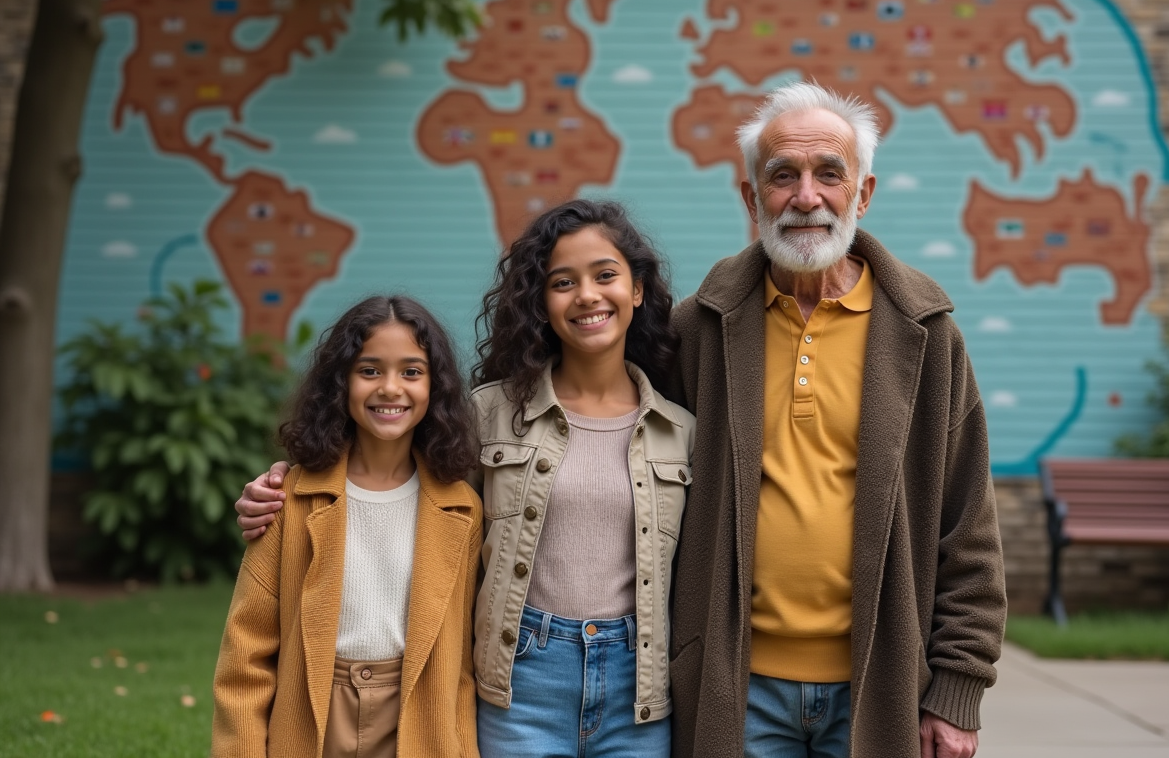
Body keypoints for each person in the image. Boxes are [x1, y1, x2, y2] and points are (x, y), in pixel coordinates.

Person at [236, 200, 695, 757]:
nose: (588, 296)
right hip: (520, 682)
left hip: (637, 689)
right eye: (562, 282)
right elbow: (386, 465)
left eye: (605, 275)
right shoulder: (489, 415)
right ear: (540, 302)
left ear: (638, 289)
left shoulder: (681, 432)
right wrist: (288, 484)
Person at [666, 81, 1005, 758]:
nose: (806, 197)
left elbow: (968, 525)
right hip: (735, 685)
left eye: (829, 174)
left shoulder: (927, 334)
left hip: (879, 688)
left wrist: (958, 689)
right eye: (782, 175)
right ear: (751, 197)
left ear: (864, 194)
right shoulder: (698, 329)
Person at [212, 296, 482, 758]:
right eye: (370, 370)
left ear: (436, 387)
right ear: (341, 383)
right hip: (312, 708)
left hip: (417, 713)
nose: (391, 388)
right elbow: (247, 655)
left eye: (412, 372)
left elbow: (460, 663)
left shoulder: (462, 508)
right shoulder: (289, 499)